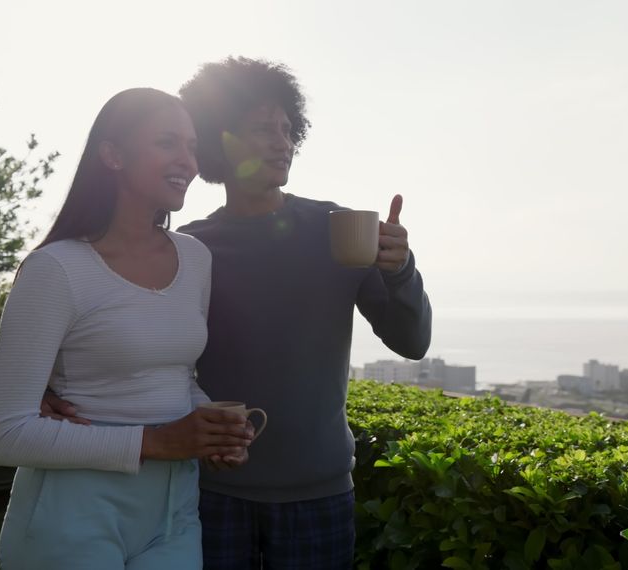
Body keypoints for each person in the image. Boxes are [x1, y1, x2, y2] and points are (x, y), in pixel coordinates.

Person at [44, 58, 433, 569]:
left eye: (287, 129)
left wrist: (400, 269)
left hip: (319, 494)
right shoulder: (190, 249)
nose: (281, 141)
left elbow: (412, 342)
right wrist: (51, 389)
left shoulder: (338, 231)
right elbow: (124, 340)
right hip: (210, 491)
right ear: (218, 141)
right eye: (262, 129)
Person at [0, 87, 253, 569]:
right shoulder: (55, 268)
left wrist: (209, 425)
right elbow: (3, 435)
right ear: (112, 154)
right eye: (167, 142)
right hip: (70, 516)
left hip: (174, 514)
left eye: (191, 145)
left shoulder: (195, 258)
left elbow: (173, 378)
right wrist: (158, 442)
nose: (187, 160)